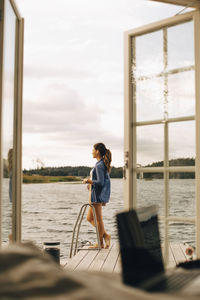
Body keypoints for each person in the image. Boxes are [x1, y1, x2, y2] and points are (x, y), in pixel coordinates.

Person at [83, 143, 112, 249]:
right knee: (89, 218)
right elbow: (99, 181)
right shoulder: (100, 164)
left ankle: (100, 243)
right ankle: (105, 236)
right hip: (94, 194)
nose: (92, 152)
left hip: (97, 196)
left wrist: (88, 181)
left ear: (97, 151)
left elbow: (100, 182)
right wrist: (90, 184)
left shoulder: (99, 165)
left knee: (98, 219)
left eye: (93, 150)